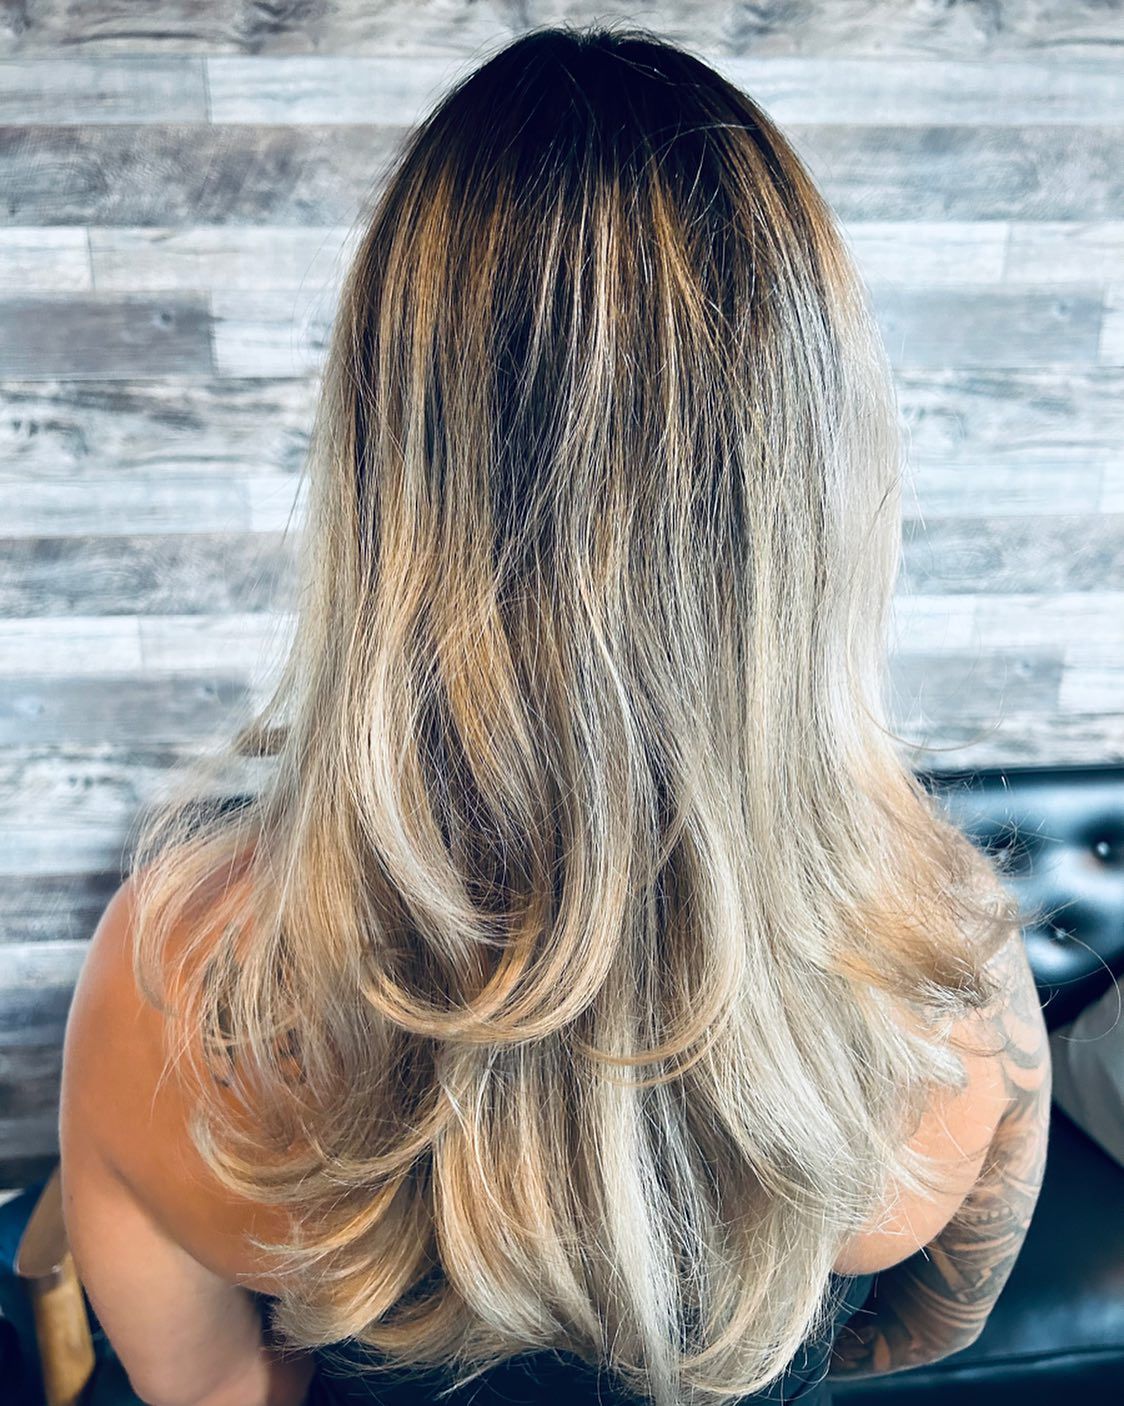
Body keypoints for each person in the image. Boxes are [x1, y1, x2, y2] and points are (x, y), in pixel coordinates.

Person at [58, 24, 1052, 1406]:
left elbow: (212, 1393)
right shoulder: (949, 975)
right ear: (813, 482)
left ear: (387, 466)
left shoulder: (173, 986)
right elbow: (931, 1328)